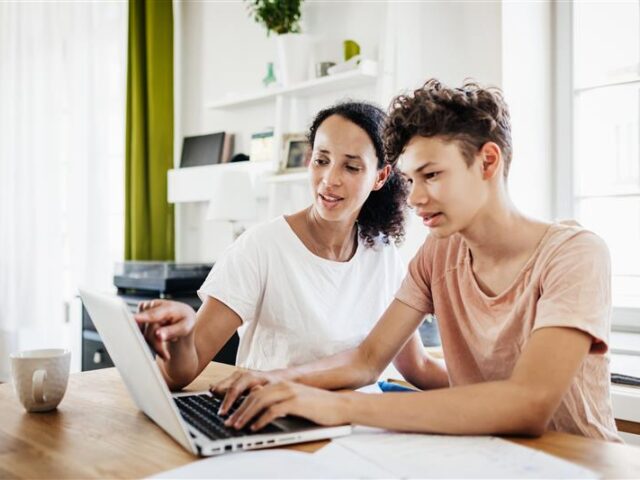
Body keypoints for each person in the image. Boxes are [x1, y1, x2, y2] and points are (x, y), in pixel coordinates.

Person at [211, 79, 621, 442]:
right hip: (486, 454)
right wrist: (275, 381)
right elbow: (369, 359)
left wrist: (339, 406)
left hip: (576, 461)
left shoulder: (574, 254)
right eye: (410, 180)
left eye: (432, 176)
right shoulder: (438, 253)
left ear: (488, 162)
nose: (414, 198)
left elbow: (528, 404)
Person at [134, 101, 420, 391]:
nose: (330, 179)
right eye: (321, 160)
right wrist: (182, 338)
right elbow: (179, 374)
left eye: (351, 167)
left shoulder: (382, 253)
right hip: (279, 424)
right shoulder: (261, 248)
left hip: (362, 425)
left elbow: (416, 366)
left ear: (380, 177)